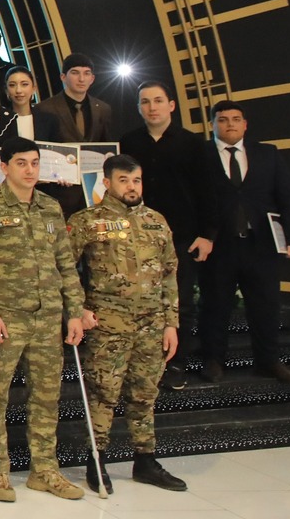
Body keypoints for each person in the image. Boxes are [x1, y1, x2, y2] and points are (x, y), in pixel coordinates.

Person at [0, 135, 87, 502]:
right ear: (4, 167)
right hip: (6, 318)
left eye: (34, 163)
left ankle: (45, 470)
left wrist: (74, 312)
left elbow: (66, 263)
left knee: (47, 398)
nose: (30, 170)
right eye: (21, 163)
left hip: (47, 318)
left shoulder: (50, 207)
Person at [69, 155, 188, 493]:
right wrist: (78, 309)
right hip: (108, 323)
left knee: (145, 393)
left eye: (136, 180)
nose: (132, 187)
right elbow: (64, 268)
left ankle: (145, 460)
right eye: (124, 180)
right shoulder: (87, 221)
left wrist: (171, 323)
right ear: (106, 182)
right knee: (103, 393)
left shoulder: (156, 221)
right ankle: (96, 460)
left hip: (152, 324)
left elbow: (169, 274)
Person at [195, 100, 290, 383]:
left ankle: (268, 362)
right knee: (215, 305)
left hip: (261, 244)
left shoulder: (268, 154)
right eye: (222, 119)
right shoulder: (200, 155)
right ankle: (213, 361)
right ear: (212, 125)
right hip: (218, 246)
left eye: (235, 119)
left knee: (266, 306)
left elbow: (288, 198)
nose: (229, 124)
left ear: (245, 124)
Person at [117, 79, 211, 384]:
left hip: (182, 237)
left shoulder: (193, 144)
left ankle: (176, 364)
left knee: (180, 303)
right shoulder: (128, 143)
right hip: (136, 237)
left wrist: (207, 235)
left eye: (158, 101)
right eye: (145, 102)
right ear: (138, 108)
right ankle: (140, 362)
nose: (152, 107)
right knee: (138, 300)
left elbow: (208, 192)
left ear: (171, 105)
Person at [33, 53, 113, 143]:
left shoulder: (103, 109)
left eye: (87, 73)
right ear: (63, 77)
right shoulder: (45, 109)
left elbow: (106, 144)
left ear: (92, 79)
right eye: (75, 73)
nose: (81, 79)